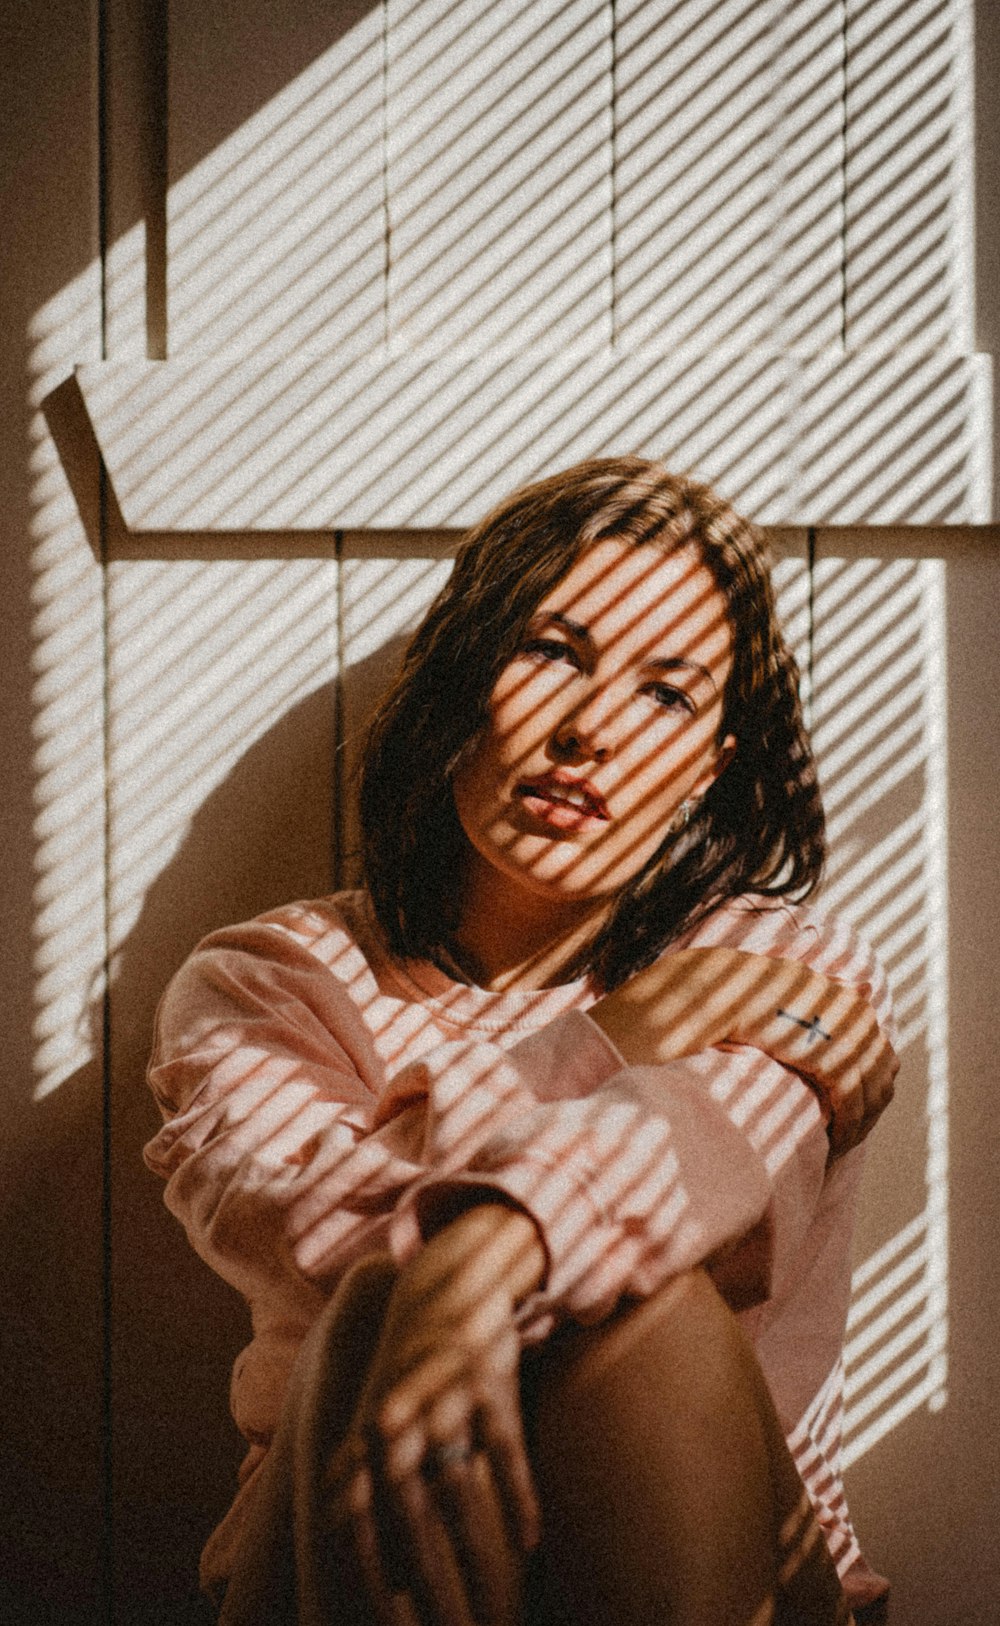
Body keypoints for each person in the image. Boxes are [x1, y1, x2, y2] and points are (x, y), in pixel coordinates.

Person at [145, 458, 898, 1625]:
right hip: (338, 1538)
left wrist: (476, 1264)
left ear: (713, 762)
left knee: (644, 1305)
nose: (591, 731)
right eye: (552, 650)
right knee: (367, 1326)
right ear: (462, 676)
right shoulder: (268, 980)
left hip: (728, 1558)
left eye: (666, 694)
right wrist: (618, 1035)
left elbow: (704, 1152)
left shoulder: (777, 967)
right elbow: (306, 1222)